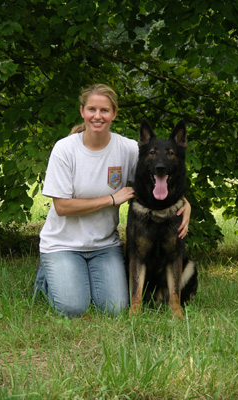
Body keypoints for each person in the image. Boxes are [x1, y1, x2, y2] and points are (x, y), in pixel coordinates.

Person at [34, 83, 191, 317]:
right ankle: (46, 277)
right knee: (73, 308)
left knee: (116, 309)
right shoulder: (64, 149)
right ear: (82, 112)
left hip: (104, 246)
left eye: (104, 110)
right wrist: (111, 199)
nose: (98, 116)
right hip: (63, 244)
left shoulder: (127, 148)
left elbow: (155, 176)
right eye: (92, 109)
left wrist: (185, 203)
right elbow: (62, 206)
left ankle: (78, 275)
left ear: (114, 114)